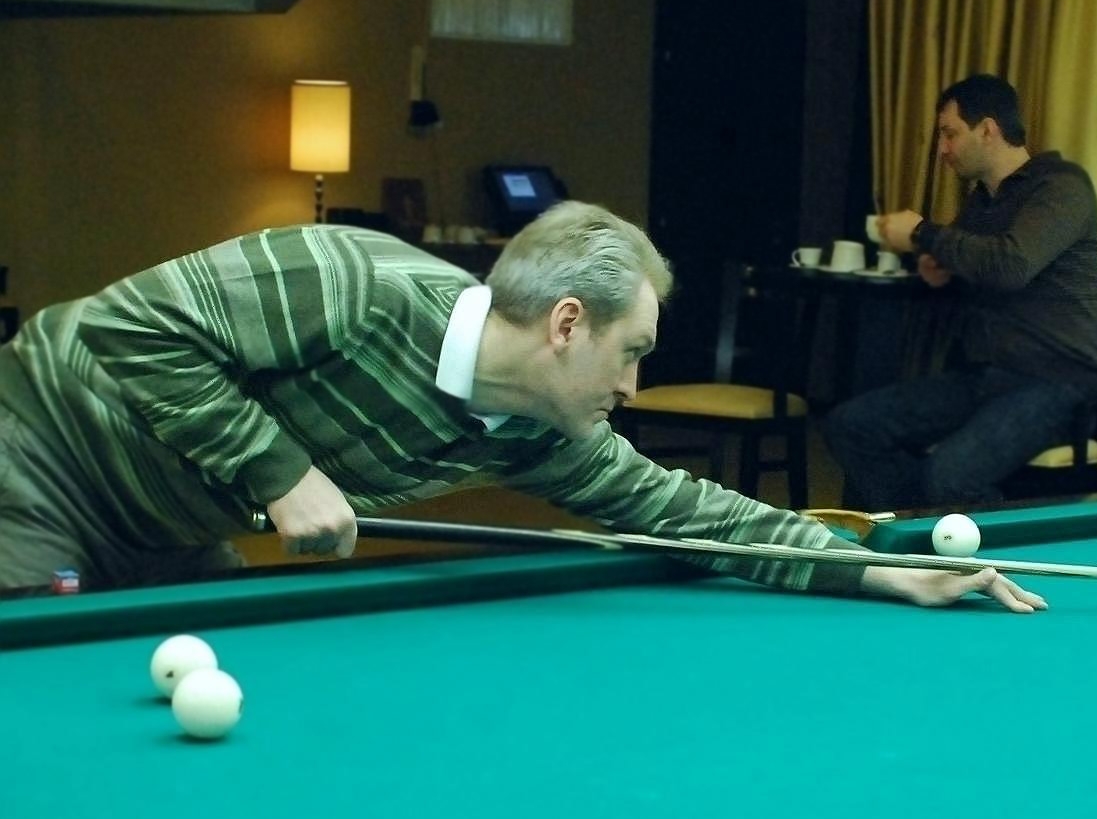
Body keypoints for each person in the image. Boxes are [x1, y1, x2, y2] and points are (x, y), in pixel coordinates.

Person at [0, 202, 1043, 612]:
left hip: (168, 524)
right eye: (630, 354)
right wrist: (283, 471)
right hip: (38, 455)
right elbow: (125, 329)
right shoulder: (355, 281)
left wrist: (872, 566)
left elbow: (689, 511)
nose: (632, 387)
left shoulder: (544, 434)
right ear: (566, 324)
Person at [823, 74, 1097, 510]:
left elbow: (1010, 266)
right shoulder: (982, 204)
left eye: (949, 133)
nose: (942, 149)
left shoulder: (1061, 188)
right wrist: (941, 274)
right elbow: (973, 267)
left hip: (1057, 381)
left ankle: (977, 540)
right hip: (985, 376)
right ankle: (922, 526)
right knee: (851, 425)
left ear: (988, 130)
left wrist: (922, 232)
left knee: (950, 476)